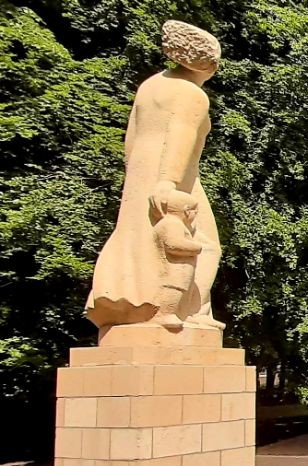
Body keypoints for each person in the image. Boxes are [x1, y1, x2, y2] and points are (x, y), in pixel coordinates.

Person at [86, 20, 224, 331]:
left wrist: (138, 175)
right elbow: (181, 133)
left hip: (139, 173)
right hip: (173, 177)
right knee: (205, 243)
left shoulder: (150, 86)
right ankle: (192, 314)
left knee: (137, 238)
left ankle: (136, 303)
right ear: (209, 64)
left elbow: (131, 138)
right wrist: (168, 181)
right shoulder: (191, 93)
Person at [151, 191, 202, 329]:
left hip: (181, 269)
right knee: (173, 289)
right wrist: (196, 247)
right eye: (194, 211)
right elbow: (173, 244)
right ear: (186, 210)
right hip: (173, 269)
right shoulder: (172, 224)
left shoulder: (174, 224)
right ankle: (165, 313)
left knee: (181, 290)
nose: (195, 215)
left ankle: (181, 314)